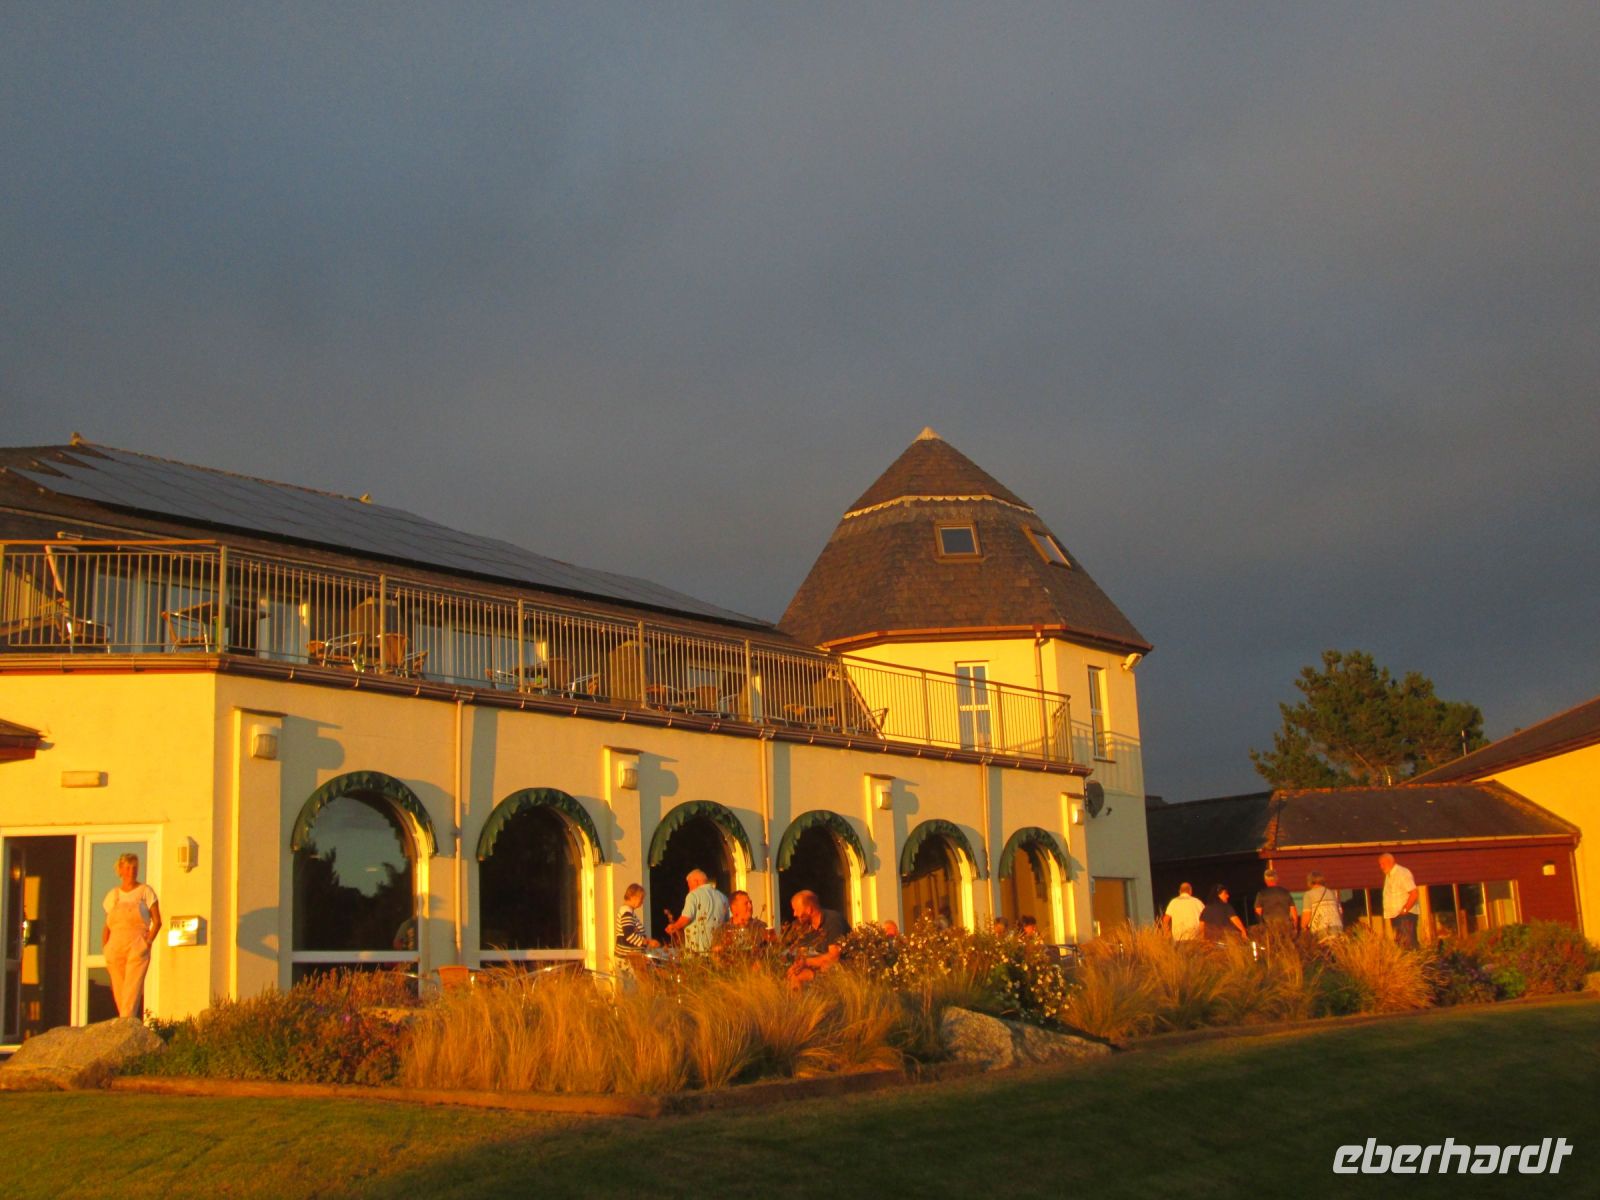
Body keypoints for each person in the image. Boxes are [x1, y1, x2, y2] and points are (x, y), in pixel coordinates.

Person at [102, 852, 161, 1019]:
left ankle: (127, 1026)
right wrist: (106, 948)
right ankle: (125, 1025)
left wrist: (147, 942)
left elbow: (157, 921)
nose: (131, 871)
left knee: (132, 989)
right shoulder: (113, 895)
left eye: (134, 867)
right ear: (120, 870)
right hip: (115, 947)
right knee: (120, 991)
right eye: (127, 867)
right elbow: (106, 926)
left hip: (137, 944)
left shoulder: (145, 891)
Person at [786, 889, 849, 988]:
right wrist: (796, 965)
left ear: (809, 910)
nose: (794, 914)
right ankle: (797, 1003)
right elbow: (802, 953)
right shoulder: (805, 927)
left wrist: (806, 962)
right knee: (793, 974)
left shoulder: (832, 921)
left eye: (797, 910)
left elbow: (834, 957)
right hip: (819, 968)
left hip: (841, 969)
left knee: (802, 975)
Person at [665, 868, 729, 953]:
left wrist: (674, 926)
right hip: (717, 950)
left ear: (696, 882)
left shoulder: (693, 895)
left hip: (697, 949)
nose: (689, 888)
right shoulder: (722, 896)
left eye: (689, 885)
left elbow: (686, 917)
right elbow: (728, 921)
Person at [1379, 852, 1419, 949]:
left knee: (1408, 944)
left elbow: (1414, 893)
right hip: (1396, 916)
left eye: (1382, 864)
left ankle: (1414, 963)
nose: (1381, 867)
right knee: (1400, 944)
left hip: (1405, 916)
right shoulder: (1389, 876)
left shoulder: (1402, 873)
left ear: (1390, 862)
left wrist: (1405, 910)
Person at [614, 882, 661, 960]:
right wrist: (648, 942)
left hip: (630, 957)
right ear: (632, 897)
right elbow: (629, 935)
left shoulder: (628, 912)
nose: (642, 902)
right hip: (628, 958)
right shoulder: (627, 913)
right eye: (641, 898)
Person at [718, 889, 769, 955]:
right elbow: (715, 955)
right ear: (734, 908)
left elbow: (771, 951)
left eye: (750, 903)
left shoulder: (760, 927)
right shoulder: (723, 930)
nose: (750, 906)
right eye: (746, 904)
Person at [1253, 869, 1299, 934]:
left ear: (1265, 880)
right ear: (1277, 879)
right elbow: (1293, 912)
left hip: (1269, 929)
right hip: (1286, 928)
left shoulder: (1261, 894)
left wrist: (1261, 926)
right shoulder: (1285, 892)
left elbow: (1258, 913)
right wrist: (1295, 927)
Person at [1301, 871, 1344, 941]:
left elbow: (1306, 916)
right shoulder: (1333, 893)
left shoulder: (1308, 895)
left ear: (1309, 882)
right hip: (1338, 929)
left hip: (1321, 930)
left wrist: (1303, 927)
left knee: (1321, 951)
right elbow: (1340, 912)